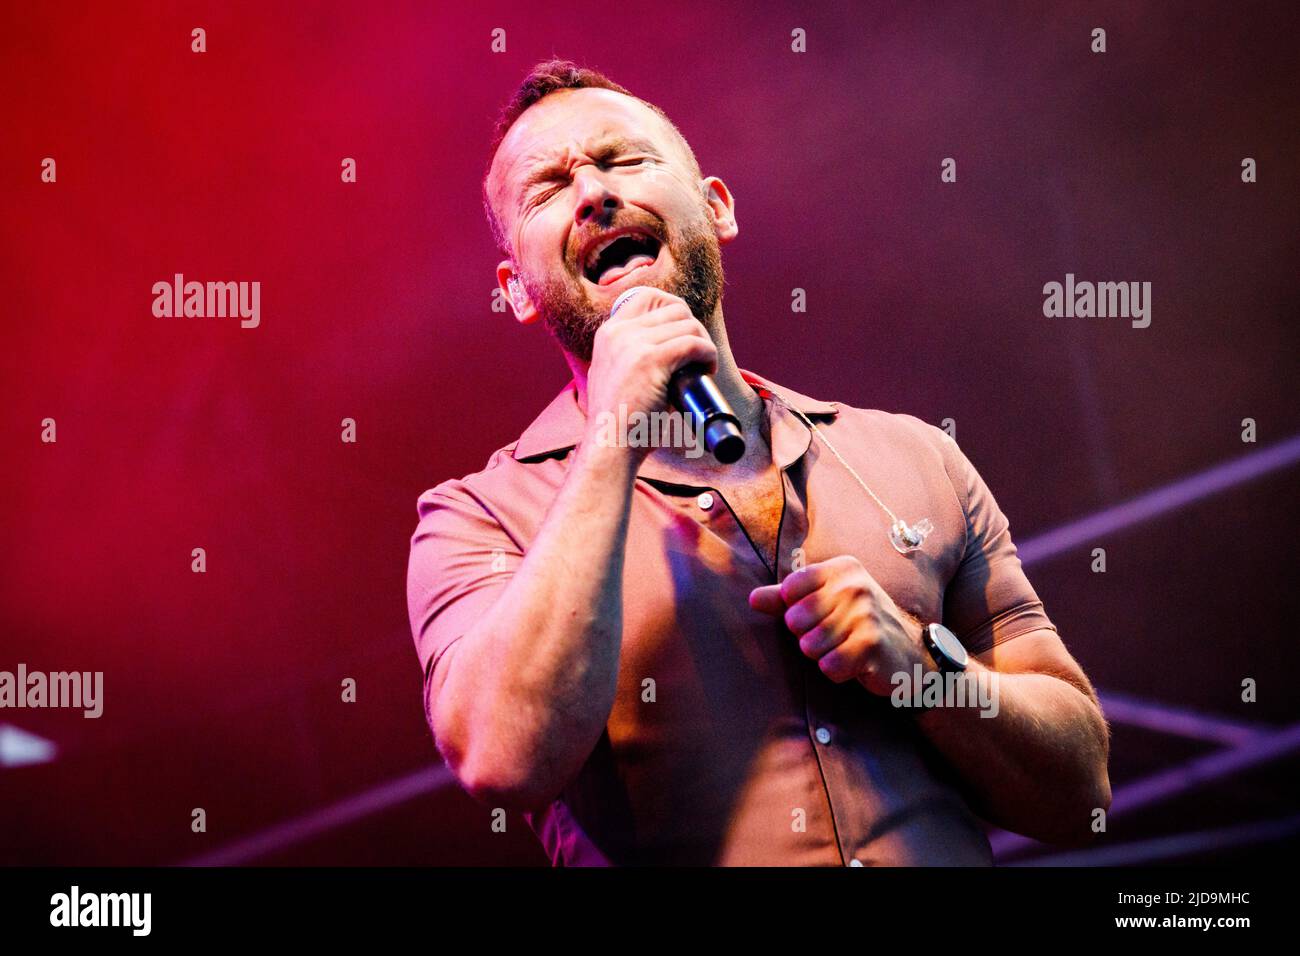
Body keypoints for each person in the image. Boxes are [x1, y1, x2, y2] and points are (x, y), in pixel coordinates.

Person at [406, 59, 1111, 865]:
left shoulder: (912, 456)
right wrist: (614, 436)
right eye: (549, 188)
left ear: (715, 208)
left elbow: (1079, 787)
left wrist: (925, 666)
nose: (594, 194)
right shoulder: (475, 517)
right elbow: (503, 760)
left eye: (623, 160)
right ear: (517, 291)